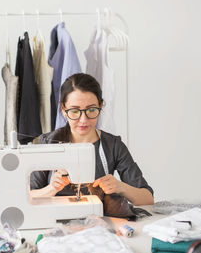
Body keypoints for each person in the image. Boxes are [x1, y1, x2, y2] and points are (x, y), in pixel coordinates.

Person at [30, 73, 154, 206]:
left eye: (91, 110)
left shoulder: (113, 145)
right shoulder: (48, 143)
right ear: (63, 109)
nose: (83, 120)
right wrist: (51, 188)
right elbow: (26, 195)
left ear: (101, 106)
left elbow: (148, 198)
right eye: (75, 111)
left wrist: (120, 187)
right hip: (55, 222)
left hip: (99, 223)